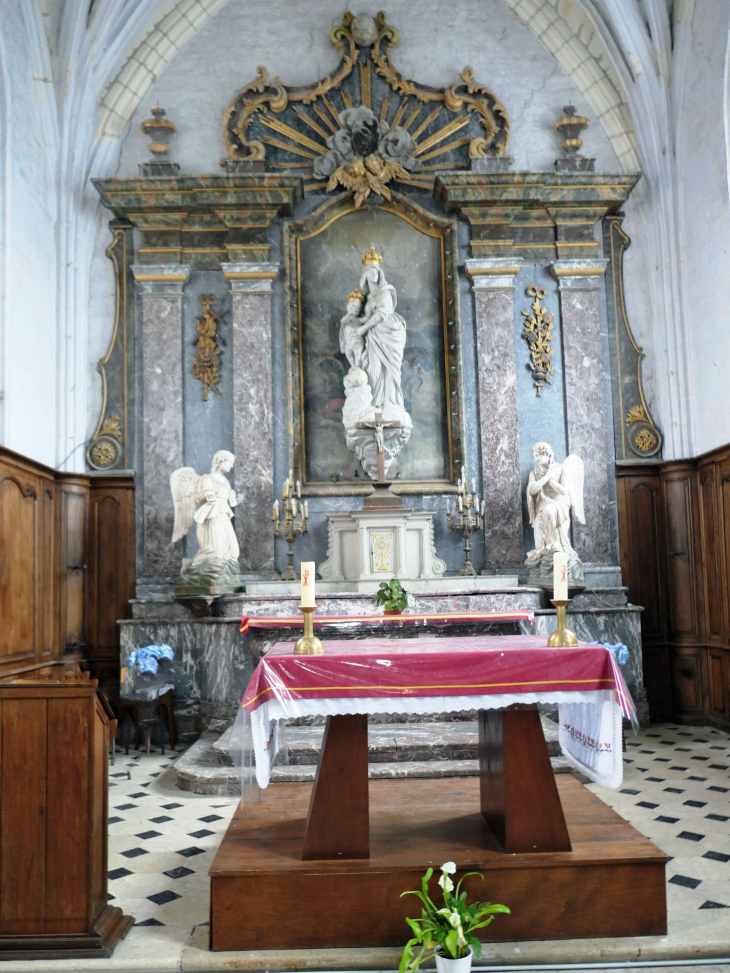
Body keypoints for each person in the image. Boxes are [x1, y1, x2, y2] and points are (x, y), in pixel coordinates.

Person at [356, 258, 407, 413]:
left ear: (380, 273)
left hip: (389, 333)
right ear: (364, 275)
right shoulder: (369, 298)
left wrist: (363, 328)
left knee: (390, 369)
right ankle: (375, 403)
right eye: (369, 271)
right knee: (374, 368)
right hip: (374, 336)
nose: (373, 274)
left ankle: (390, 401)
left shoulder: (385, 290)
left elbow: (381, 314)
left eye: (375, 271)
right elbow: (367, 317)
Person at [193, 450, 239, 562]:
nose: (232, 466)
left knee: (233, 551)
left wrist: (231, 496)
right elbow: (208, 493)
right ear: (220, 461)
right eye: (229, 462)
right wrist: (210, 496)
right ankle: (214, 571)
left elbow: (229, 497)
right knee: (218, 550)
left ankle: (225, 571)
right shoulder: (207, 478)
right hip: (214, 515)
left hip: (224, 514)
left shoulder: (225, 481)